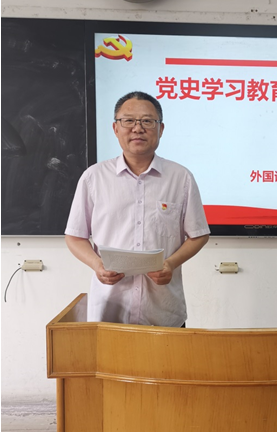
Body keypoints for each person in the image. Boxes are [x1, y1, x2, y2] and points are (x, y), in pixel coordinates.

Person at [65, 91, 210, 327]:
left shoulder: (180, 177)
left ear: (161, 129)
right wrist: (97, 265)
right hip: (109, 311)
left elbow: (199, 235)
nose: (137, 128)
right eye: (128, 120)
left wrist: (171, 264)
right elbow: (75, 236)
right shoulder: (94, 177)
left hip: (163, 312)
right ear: (115, 128)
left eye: (147, 121)